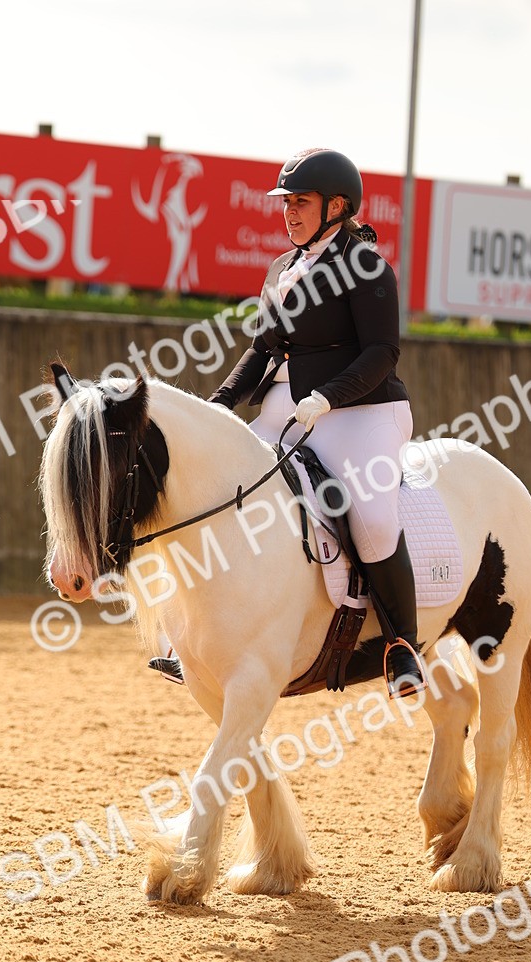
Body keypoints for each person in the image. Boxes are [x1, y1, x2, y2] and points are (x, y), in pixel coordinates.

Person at [149, 147, 427, 699]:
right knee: (219, 495)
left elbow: (382, 352)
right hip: (285, 412)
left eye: (300, 201)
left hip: (361, 411)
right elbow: (261, 351)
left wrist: (328, 396)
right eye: (286, 202)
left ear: (336, 206)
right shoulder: (281, 269)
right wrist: (216, 409)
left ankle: (403, 645)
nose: (288, 212)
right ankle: (192, 636)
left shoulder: (367, 266)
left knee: (371, 516)